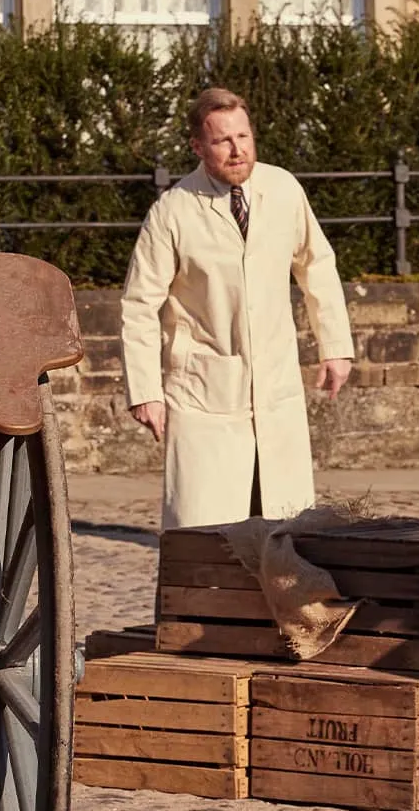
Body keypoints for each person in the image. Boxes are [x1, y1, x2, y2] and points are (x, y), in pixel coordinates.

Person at [120, 87, 356, 531]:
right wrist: (146, 391)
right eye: (222, 141)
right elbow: (139, 306)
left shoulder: (283, 188)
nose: (237, 150)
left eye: (243, 137)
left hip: (275, 386)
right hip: (201, 395)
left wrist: (336, 347)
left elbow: (317, 266)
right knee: (203, 531)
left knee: (283, 531)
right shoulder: (171, 211)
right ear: (197, 146)